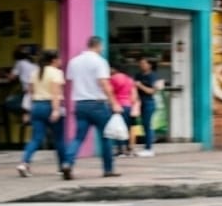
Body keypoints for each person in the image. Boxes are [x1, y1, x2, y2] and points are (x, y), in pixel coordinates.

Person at [62, 36, 123, 180]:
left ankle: (67, 163)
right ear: (98, 45)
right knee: (106, 137)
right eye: (102, 46)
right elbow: (104, 84)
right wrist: (114, 103)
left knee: (78, 137)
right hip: (98, 105)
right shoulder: (100, 62)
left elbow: (70, 82)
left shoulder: (74, 62)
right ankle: (108, 169)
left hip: (80, 104)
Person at [16, 50, 65, 177]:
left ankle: (24, 162)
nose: (61, 61)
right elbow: (55, 93)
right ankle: (62, 166)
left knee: (36, 138)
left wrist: (28, 110)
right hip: (50, 106)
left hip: (37, 106)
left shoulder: (35, 73)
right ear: (54, 60)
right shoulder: (56, 73)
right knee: (59, 139)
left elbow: (30, 93)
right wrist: (56, 110)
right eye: (59, 58)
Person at [109, 62, 138, 157]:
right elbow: (133, 95)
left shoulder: (114, 78)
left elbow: (110, 91)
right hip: (128, 105)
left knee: (119, 127)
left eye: (111, 68)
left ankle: (120, 149)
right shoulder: (129, 79)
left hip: (118, 105)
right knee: (128, 128)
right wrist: (133, 105)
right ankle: (129, 148)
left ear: (115, 69)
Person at [134, 56, 159, 157]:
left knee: (147, 125)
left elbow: (152, 91)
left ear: (150, 65)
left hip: (149, 102)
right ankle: (148, 145)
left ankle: (149, 148)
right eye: (140, 63)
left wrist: (140, 86)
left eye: (144, 63)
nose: (141, 65)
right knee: (144, 125)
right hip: (140, 103)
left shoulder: (153, 76)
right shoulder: (138, 75)